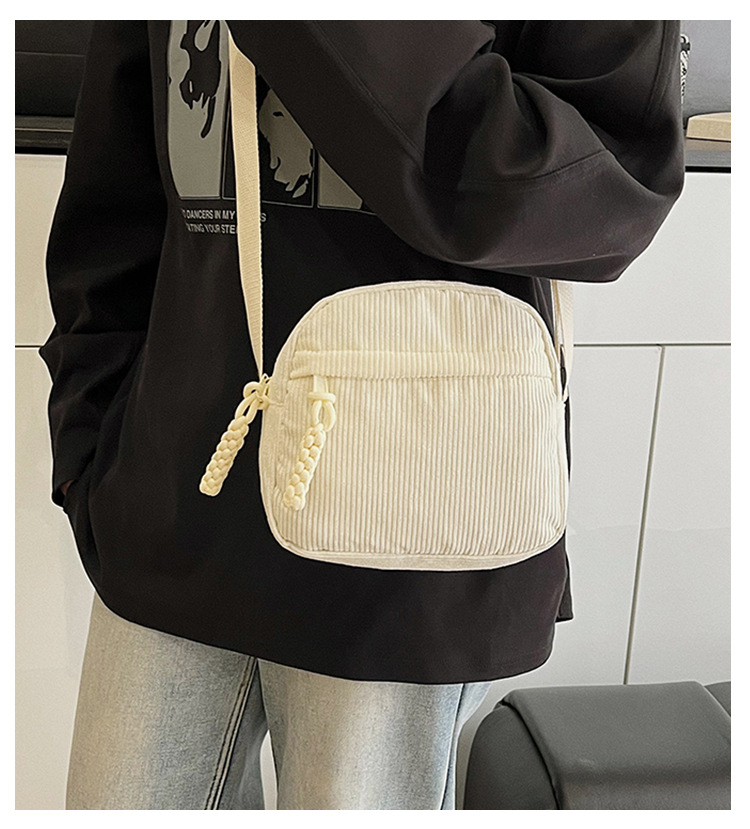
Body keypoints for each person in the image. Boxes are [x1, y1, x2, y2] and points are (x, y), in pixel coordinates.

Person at [40, 20, 685, 810]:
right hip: (173, 499)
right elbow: (115, 201)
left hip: (407, 533)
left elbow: (609, 190)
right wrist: (86, 449)